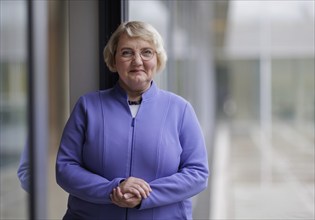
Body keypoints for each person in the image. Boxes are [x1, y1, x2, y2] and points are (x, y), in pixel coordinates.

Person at [56, 21, 209, 220]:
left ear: (157, 59)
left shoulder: (181, 110)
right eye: (127, 52)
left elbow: (198, 174)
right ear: (113, 60)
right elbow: (65, 168)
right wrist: (113, 189)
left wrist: (143, 195)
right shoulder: (88, 106)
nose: (137, 61)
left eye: (147, 52)